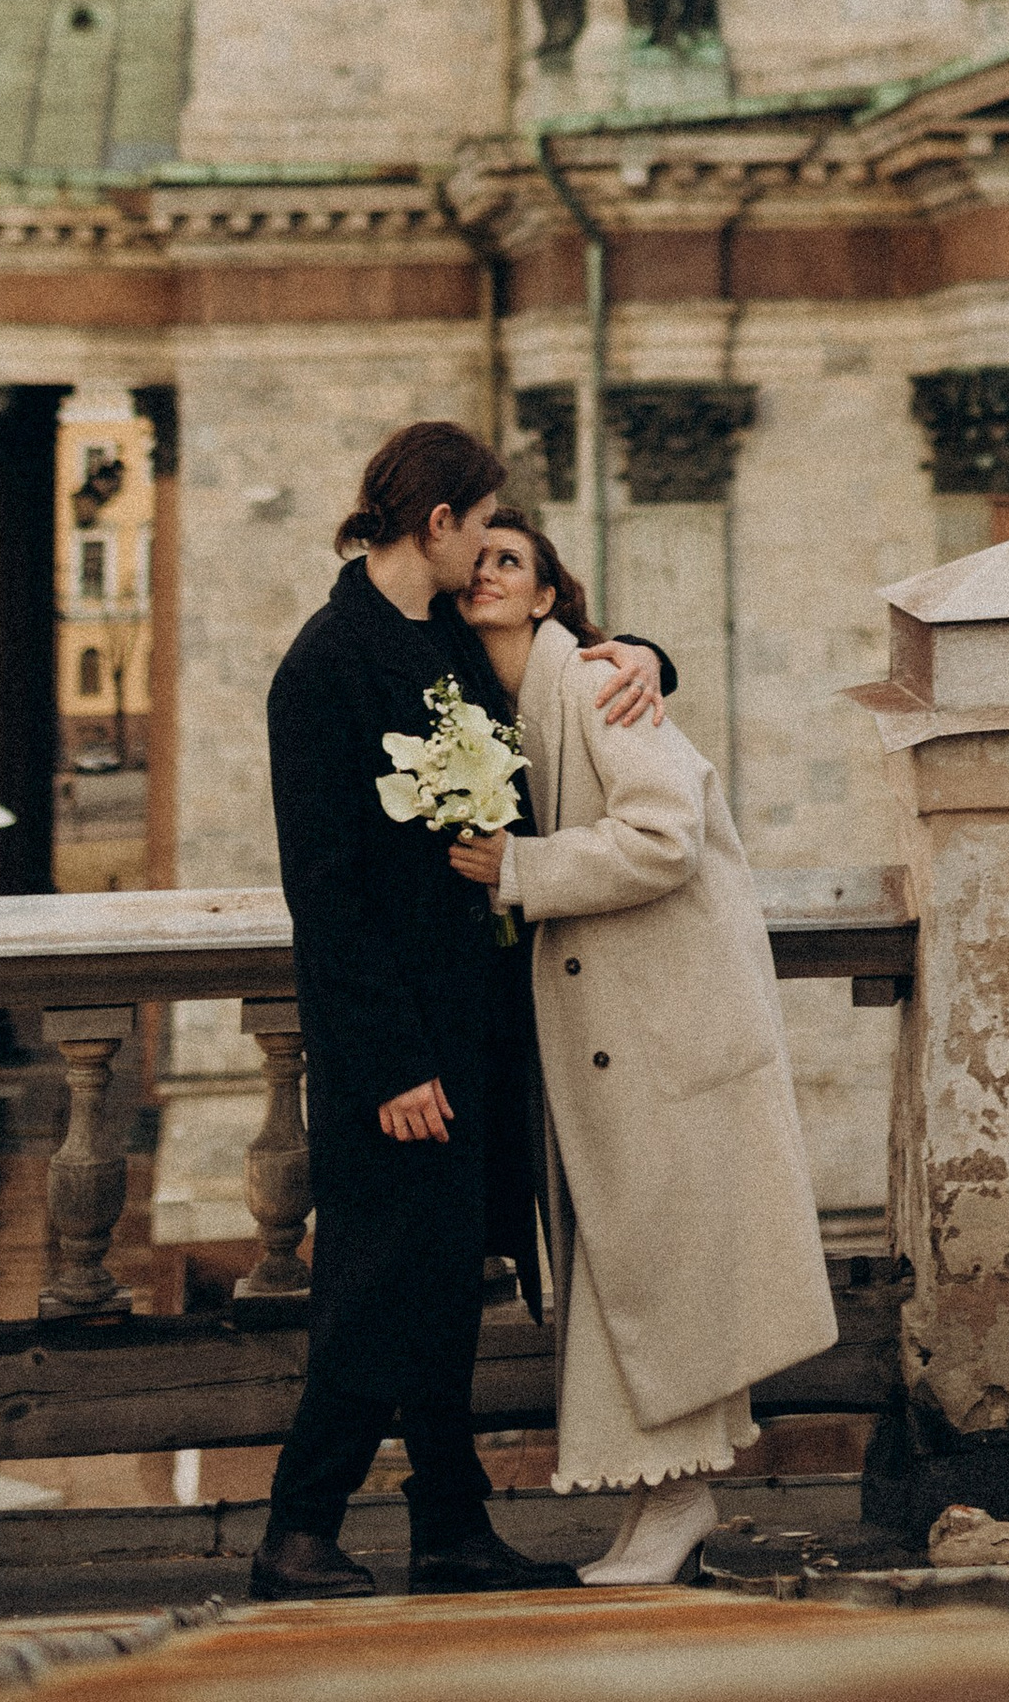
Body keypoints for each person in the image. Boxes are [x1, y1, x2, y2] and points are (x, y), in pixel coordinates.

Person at [251, 425, 675, 1604]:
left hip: (476, 1028)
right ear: (436, 523)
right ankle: (295, 1532)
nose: (493, 546)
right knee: (377, 1284)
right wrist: (389, 1063)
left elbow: (558, 648)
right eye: (482, 524)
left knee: (441, 1287)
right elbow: (324, 892)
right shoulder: (325, 666)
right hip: (393, 1050)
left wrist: (641, 653)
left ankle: (448, 1526)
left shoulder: (437, 639)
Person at [450, 509, 838, 1587]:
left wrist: (520, 871)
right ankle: (658, 1506)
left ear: (546, 595)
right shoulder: (502, 696)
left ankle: (677, 1500)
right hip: (606, 1039)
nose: (487, 572)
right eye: (475, 559)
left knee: (655, 1271)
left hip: (656, 1032)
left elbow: (663, 833)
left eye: (510, 562)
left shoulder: (589, 683)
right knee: (626, 1272)